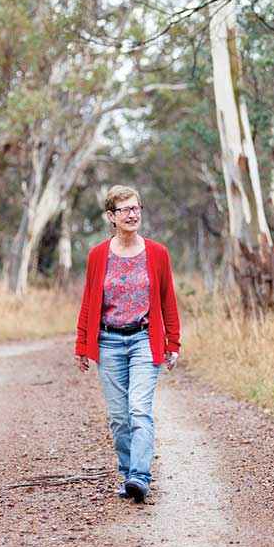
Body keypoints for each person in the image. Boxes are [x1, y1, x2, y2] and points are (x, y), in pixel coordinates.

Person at [74, 184, 181, 503]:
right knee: (119, 417)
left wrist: (172, 342)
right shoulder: (98, 255)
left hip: (143, 340)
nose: (133, 214)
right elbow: (89, 302)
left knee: (139, 409)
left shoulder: (157, 253)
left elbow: (167, 300)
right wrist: (82, 344)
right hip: (108, 342)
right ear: (111, 216)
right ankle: (127, 472)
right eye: (125, 210)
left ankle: (140, 476)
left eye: (136, 208)